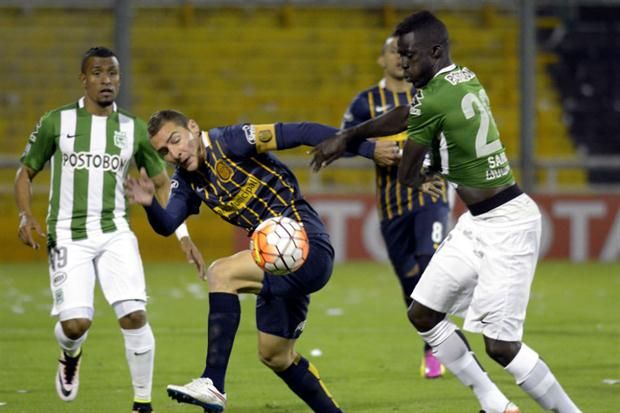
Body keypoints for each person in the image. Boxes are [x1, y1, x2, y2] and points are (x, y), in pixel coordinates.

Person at [311, 11, 582, 413]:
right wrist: (350, 135)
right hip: (477, 223)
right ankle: (494, 403)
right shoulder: (460, 78)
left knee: (501, 346)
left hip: (508, 223)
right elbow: (409, 114)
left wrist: (416, 172)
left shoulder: (434, 98)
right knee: (422, 313)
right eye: (400, 55)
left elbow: (406, 172)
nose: (403, 64)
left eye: (410, 55)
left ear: (435, 52)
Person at [124, 109, 398, 413]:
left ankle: (213, 382)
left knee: (221, 273)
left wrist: (369, 149)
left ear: (193, 127)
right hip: (275, 260)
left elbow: (302, 131)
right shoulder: (186, 182)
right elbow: (167, 224)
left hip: (307, 245)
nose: (174, 153)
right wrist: (149, 204)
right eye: (164, 152)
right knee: (275, 356)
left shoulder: (232, 141)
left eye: (175, 140)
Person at [14, 47, 203, 413]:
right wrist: (25, 214)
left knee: (134, 315)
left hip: (115, 231)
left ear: (120, 79)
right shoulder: (56, 122)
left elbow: (163, 183)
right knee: (75, 325)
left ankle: (142, 403)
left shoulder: (133, 129)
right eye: (98, 73)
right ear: (83, 79)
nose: (106, 80)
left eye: (113, 73)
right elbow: (25, 173)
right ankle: (70, 354)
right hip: (67, 232)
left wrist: (183, 236)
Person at [341, 35, 449, 379]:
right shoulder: (365, 102)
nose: (400, 57)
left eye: (406, 52)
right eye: (393, 52)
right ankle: (432, 338)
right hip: (392, 205)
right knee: (410, 283)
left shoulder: (431, 93)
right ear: (381, 60)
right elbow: (344, 142)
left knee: (429, 265)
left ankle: (438, 350)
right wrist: (373, 149)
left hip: (430, 193)